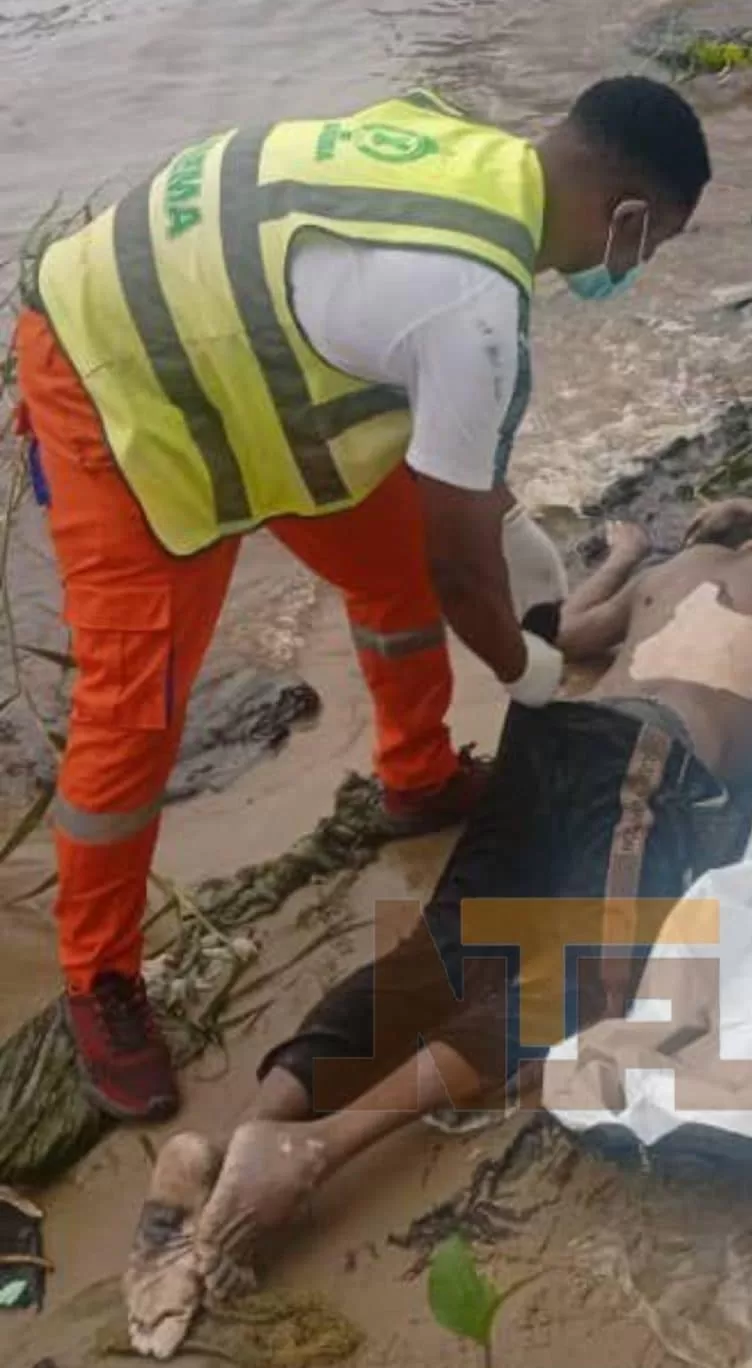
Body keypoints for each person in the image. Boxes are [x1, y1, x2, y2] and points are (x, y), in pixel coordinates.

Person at [14, 78, 712, 1122]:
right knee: (135, 706)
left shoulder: (465, 147)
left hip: (248, 370)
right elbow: (463, 572)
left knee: (388, 570)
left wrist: (508, 529)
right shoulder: (475, 309)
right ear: (626, 211)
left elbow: (445, 487)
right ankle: (99, 979)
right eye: (646, 245)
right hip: (117, 377)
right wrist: (530, 672)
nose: (632, 269)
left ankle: (415, 776)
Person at [123, 503, 752, 1359]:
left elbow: (565, 634)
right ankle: (314, 1148)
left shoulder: (666, 577)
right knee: (589, 983)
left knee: (443, 951)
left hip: (548, 735)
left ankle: (235, 1135)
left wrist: (629, 550)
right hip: (640, 765)